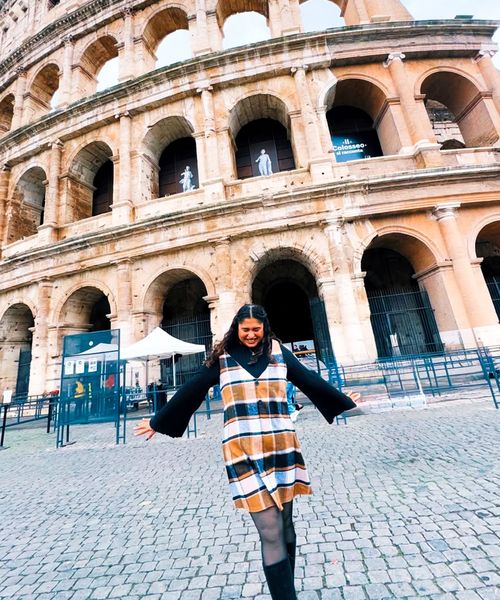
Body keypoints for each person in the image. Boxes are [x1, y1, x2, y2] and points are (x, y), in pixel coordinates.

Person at [134, 304, 359, 599]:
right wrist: (157, 421)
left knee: (285, 524)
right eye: (245, 330)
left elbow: (309, 380)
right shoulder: (222, 357)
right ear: (236, 328)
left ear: (265, 328)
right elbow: (193, 388)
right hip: (241, 451)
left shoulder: (279, 353)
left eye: (256, 329)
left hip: (282, 447)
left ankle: (285, 588)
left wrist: (343, 401)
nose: (251, 335)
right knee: (270, 529)